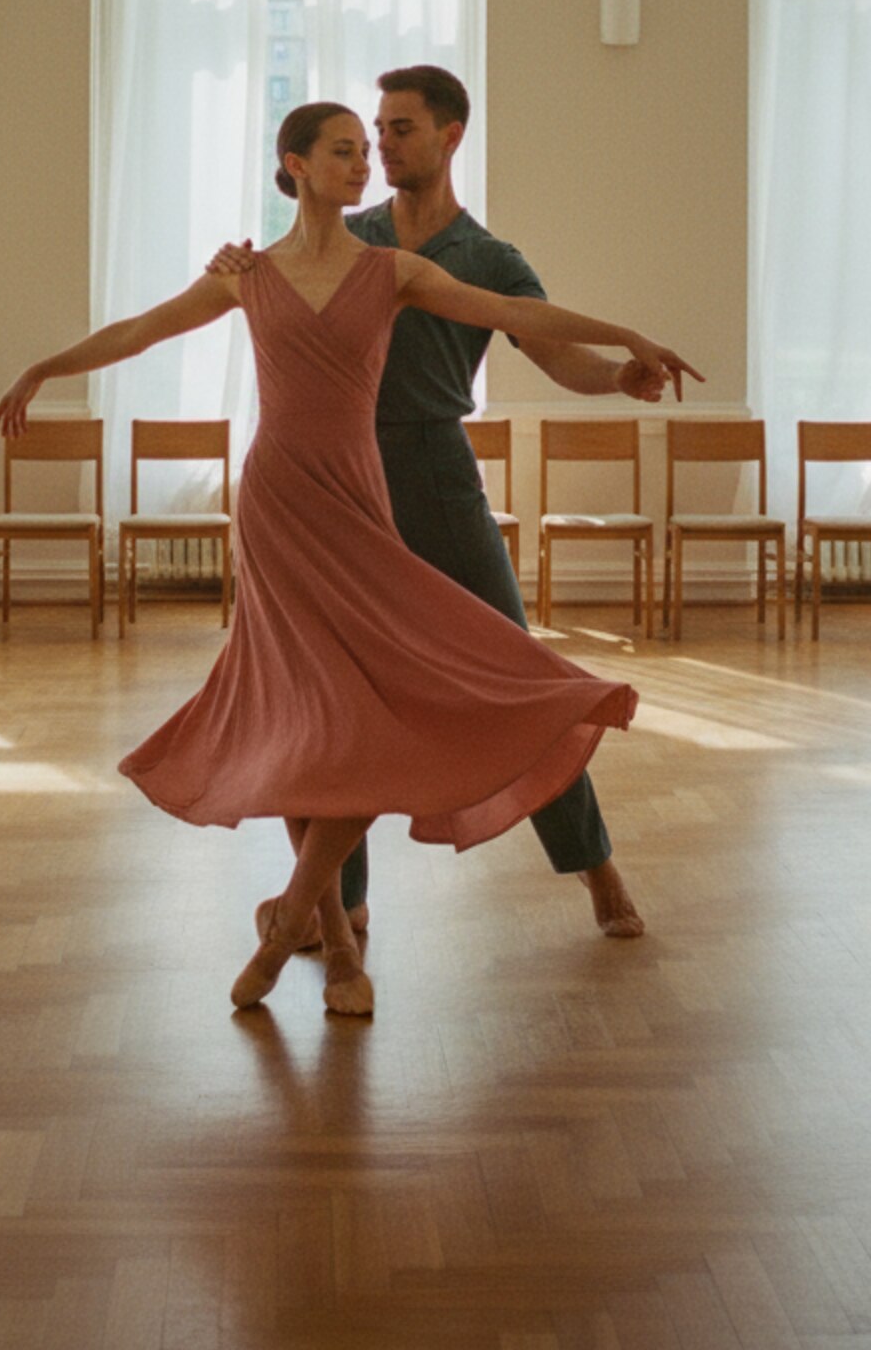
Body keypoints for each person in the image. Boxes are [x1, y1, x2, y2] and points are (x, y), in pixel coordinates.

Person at [0, 103, 697, 1017]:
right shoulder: (250, 274)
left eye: (375, 147)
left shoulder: (398, 269)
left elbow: (516, 313)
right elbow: (143, 330)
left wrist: (626, 339)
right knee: (301, 711)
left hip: (370, 496)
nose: (365, 162)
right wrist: (41, 368)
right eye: (347, 149)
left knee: (389, 704)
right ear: (295, 164)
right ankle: (338, 938)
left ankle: (294, 924)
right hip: (280, 506)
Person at [211, 66, 700, 945]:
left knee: (517, 674)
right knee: (335, 696)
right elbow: (268, 281)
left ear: (449, 137)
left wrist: (618, 375)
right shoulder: (348, 234)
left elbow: (558, 359)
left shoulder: (487, 259)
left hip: (436, 472)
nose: (381, 145)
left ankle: (595, 865)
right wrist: (235, 264)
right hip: (335, 482)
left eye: (399, 129)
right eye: (373, 131)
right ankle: (343, 906)